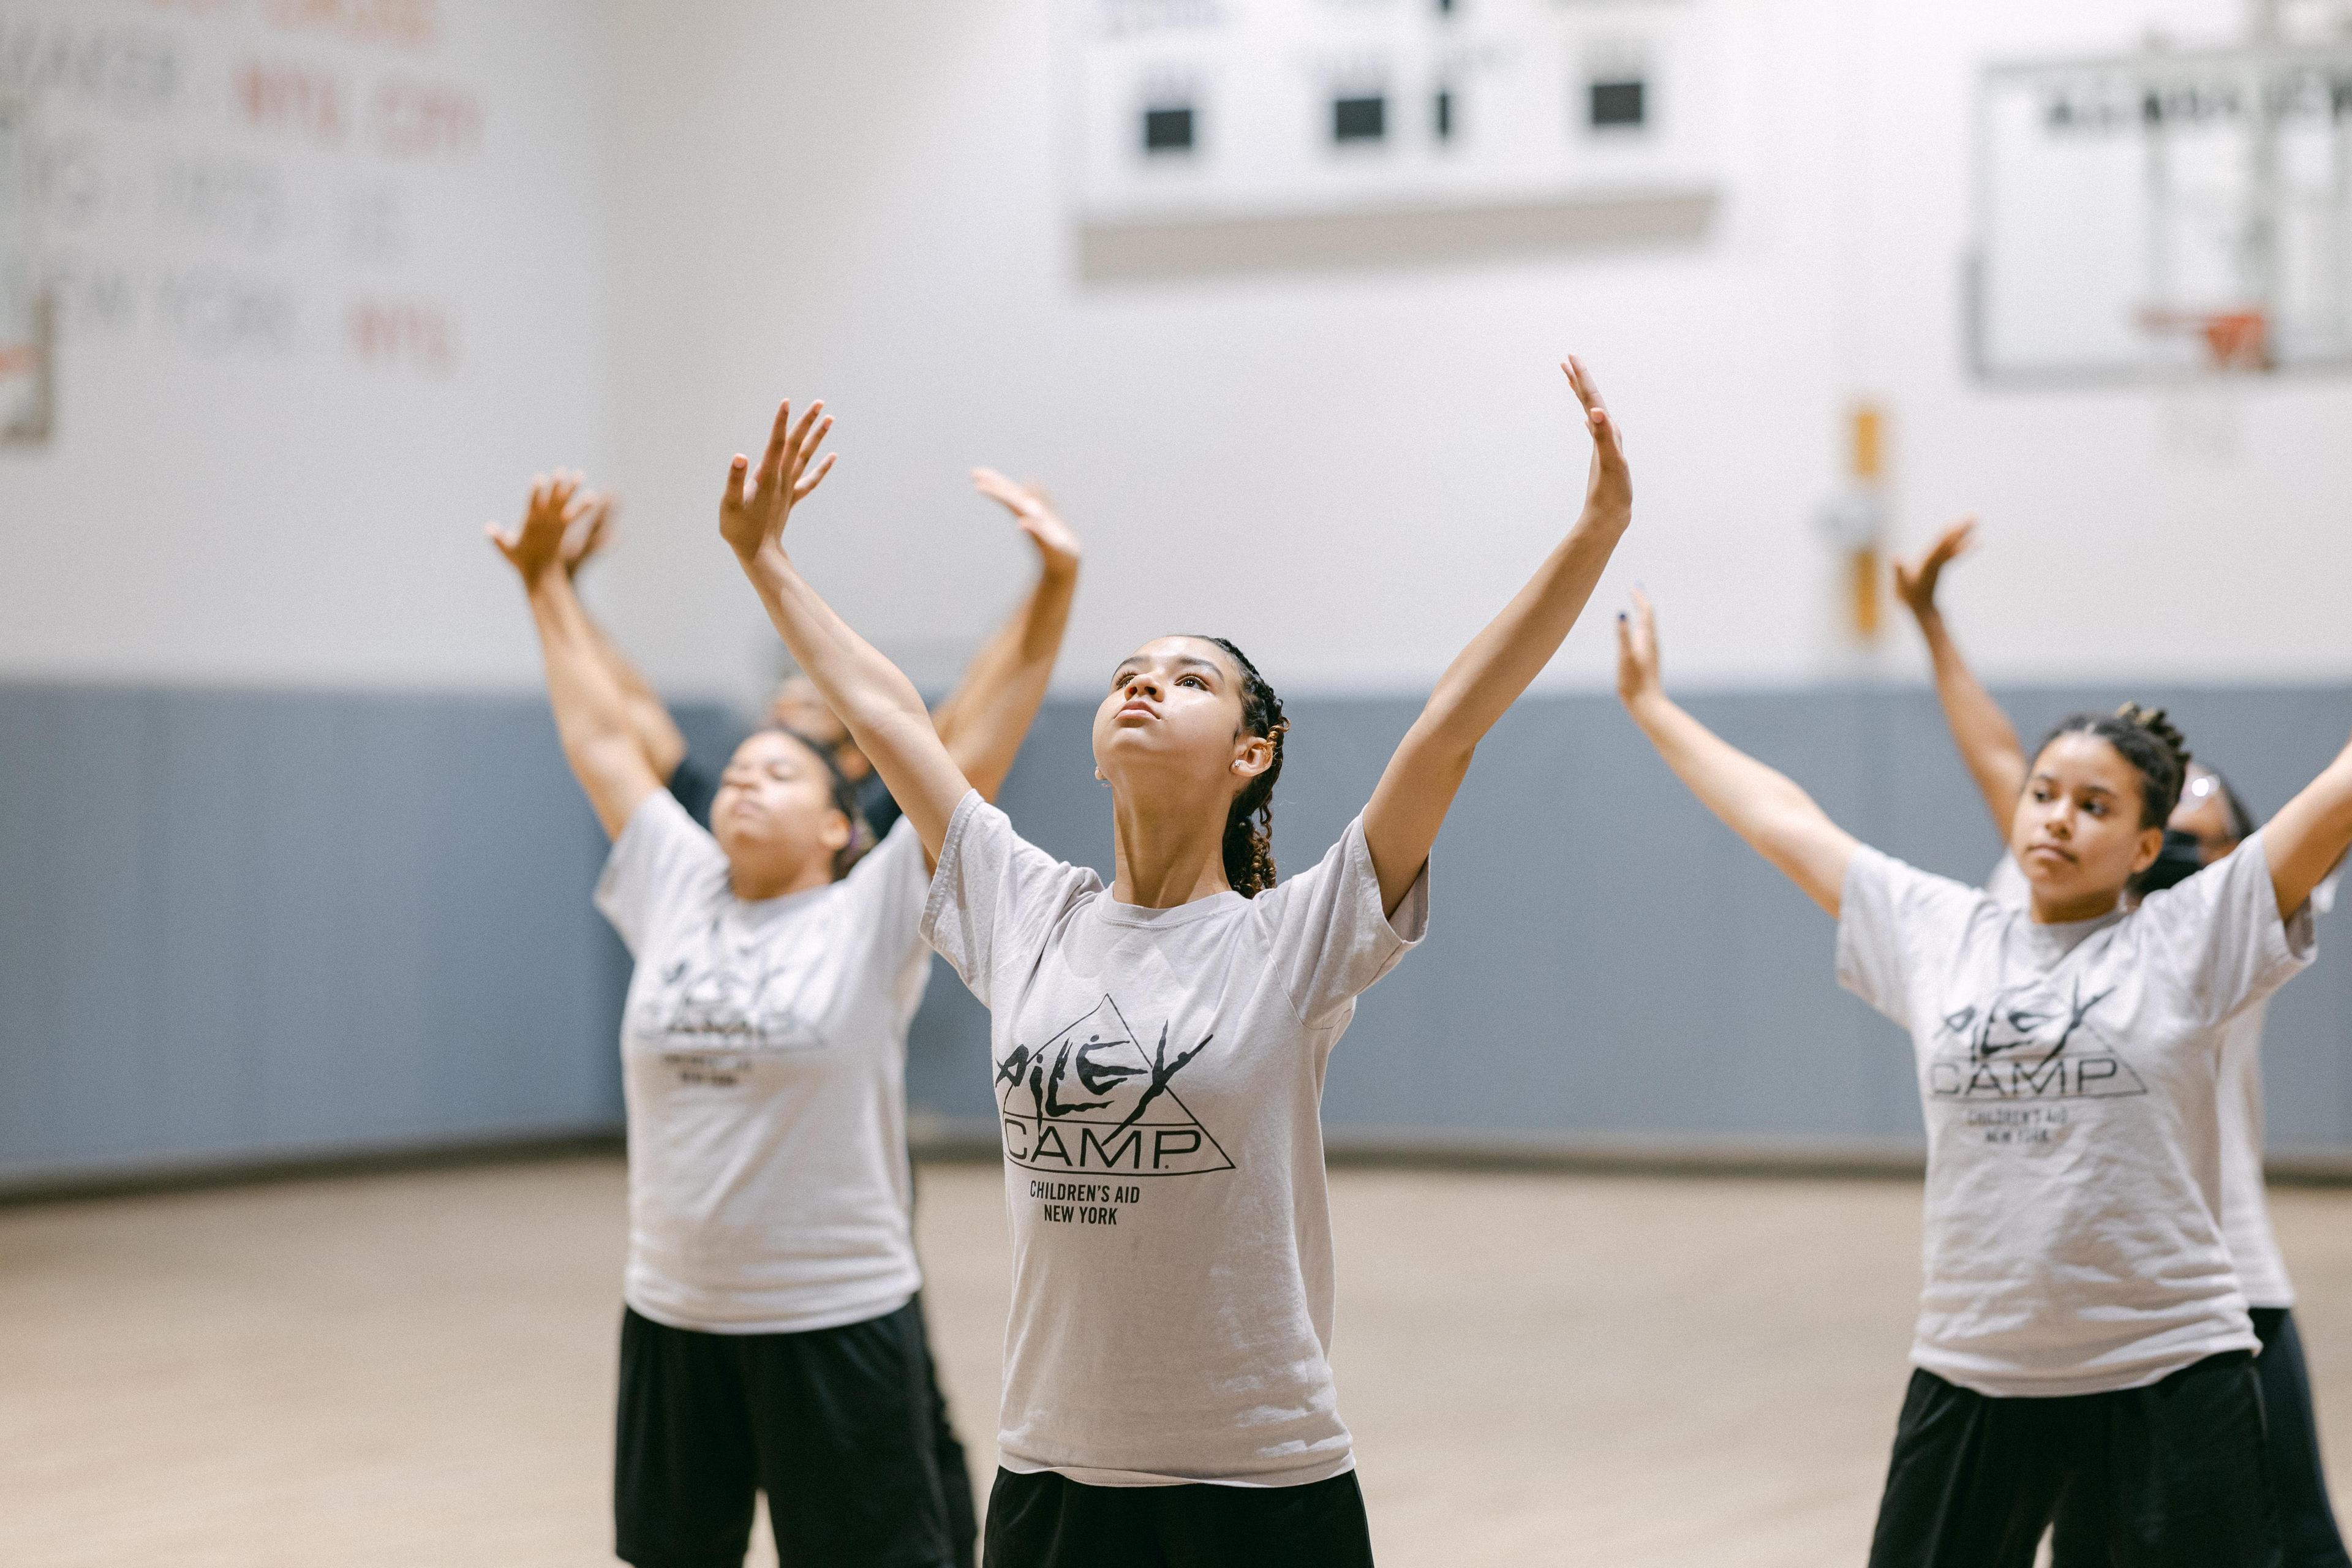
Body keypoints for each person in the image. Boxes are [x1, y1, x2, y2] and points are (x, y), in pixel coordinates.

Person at [712, 362, 1632, 1567]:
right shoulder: (1021, 909)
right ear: (1096, 746)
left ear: (1254, 750)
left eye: (1189, 676)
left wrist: (1595, 530)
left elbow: (1451, 721)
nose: (1147, 682)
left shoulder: (1296, 939)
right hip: (1055, 1476)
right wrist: (766, 560)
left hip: (1259, 1480)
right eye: (1130, 674)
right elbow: (890, 717)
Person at [1613, 584, 2352, 1567]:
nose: (2057, 819)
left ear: (2142, 846)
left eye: (2095, 807)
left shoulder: (2190, 937)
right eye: (2044, 795)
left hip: (2167, 1364)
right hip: (1976, 1362)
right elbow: (1781, 819)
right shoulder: (1939, 931)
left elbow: (2337, 797)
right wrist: (1653, 707)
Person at [489, 466, 1077, 1568]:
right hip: (673, 1316)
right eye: (736, 772)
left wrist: (1053, 587)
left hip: (835, 1319)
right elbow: (605, 741)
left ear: (837, 825)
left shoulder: (875, 908)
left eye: (780, 773)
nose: (744, 784)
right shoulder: (677, 885)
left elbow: (970, 741)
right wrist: (544, 589)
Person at [1894, 518, 2350, 1568]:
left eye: (2204, 835)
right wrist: (1928, 622)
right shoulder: (2061, 904)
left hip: (2223, 1291)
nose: (2188, 848)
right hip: (2088, 1318)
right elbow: (2003, 764)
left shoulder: (2220, 929)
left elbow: (2325, 812)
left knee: (2300, 1542)